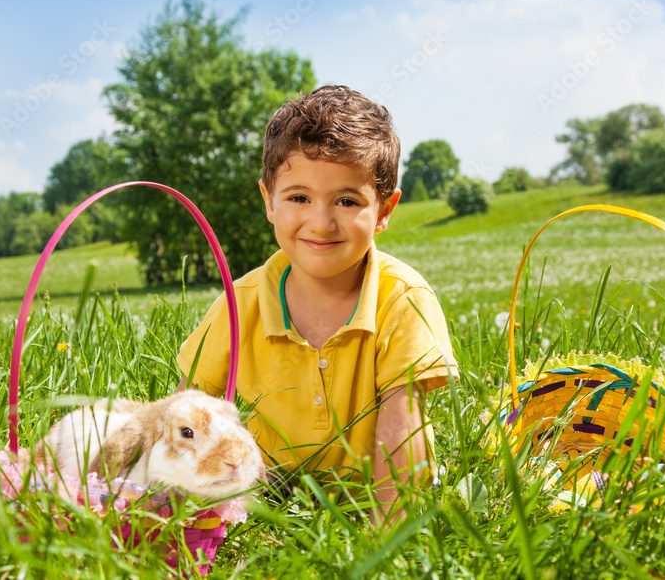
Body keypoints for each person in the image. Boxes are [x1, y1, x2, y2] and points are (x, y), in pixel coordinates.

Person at [176, 85, 457, 523]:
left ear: (384, 210)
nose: (321, 223)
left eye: (347, 201)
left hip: (372, 496)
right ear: (269, 200)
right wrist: (180, 509)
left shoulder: (403, 299)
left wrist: (388, 541)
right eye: (299, 198)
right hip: (263, 498)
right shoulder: (239, 304)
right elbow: (188, 414)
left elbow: (401, 429)